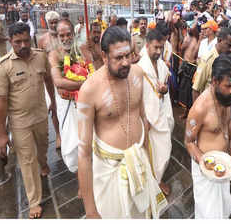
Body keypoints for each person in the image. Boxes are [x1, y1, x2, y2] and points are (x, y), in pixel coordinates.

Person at [77, 26, 167, 219]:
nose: (125, 62)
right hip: (109, 167)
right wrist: (90, 209)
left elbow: (142, 118)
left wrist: (148, 166)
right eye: (118, 57)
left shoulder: (137, 74)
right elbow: (84, 154)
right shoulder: (89, 90)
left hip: (138, 160)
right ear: (104, 55)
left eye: (128, 55)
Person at [0, 23, 57, 218]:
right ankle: (34, 201)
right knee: (27, 160)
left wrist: (54, 103)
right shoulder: (3, 66)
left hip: (40, 116)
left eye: (25, 40)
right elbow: (1, 102)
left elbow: (49, 80)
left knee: (41, 149)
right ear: (10, 42)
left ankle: (44, 163)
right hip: (20, 121)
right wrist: (1, 133)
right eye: (18, 42)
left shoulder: (40, 56)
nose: (23, 45)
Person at [185, 54, 231, 219]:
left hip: (222, 167)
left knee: (221, 212)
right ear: (214, 81)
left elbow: (227, 122)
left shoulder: (225, 96)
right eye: (228, 86)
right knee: (208, 215)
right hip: (205, 172)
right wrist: (205, 163)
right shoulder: (199, 109)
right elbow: (189, 142)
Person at [48, 19, 93, 173]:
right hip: (67, 104)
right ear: (57, 37)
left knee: (89, 139)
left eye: (68, 35)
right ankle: (80, 177)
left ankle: (90, 173)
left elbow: (93, 70)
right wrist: (85, 84)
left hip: (85, 103)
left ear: (74, 34)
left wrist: (85, 83)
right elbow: (58, 82)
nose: (65, 39)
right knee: (73, 144)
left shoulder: (82, 50)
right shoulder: (54, 55)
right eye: (62, 36)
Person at [138, 29, 174, 196]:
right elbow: (136, 97)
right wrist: (144, 119)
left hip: (162, 113)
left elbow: (164, 87)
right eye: (155, 47)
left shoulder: (161, 65)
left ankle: (156, 178)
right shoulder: (139, 68)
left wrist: (165, 89)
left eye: (161, 48)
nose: (159, 51)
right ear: (147, 46)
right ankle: (155, 182)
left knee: (164, 149)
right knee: (154, 152)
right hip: (149, 119)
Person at [37, 11, 62, 148]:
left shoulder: (64, 35)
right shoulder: (42, 40)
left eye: (55, 22)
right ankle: (58, 135)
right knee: (54, 106)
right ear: (47, 23)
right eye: (51, 22)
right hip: (49, 78)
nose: (53, 24)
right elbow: (39, 59)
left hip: (64, 74)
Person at [192, 27, 231, 102]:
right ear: (219, 40)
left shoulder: (229, 60)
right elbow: (196, 90)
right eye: (229, 46)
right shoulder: (207, 60)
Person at [178, 22, 199, 118]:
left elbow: (196, 54)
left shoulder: (198, 40)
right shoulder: (188, 38)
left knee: (190, 91)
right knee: (184, 90)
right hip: (186, 65)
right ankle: (186, 112)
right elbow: (182, 49)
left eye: (192, 28)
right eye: (189, 27)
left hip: (192, 67)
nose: (190, 29)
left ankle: (190, 112)